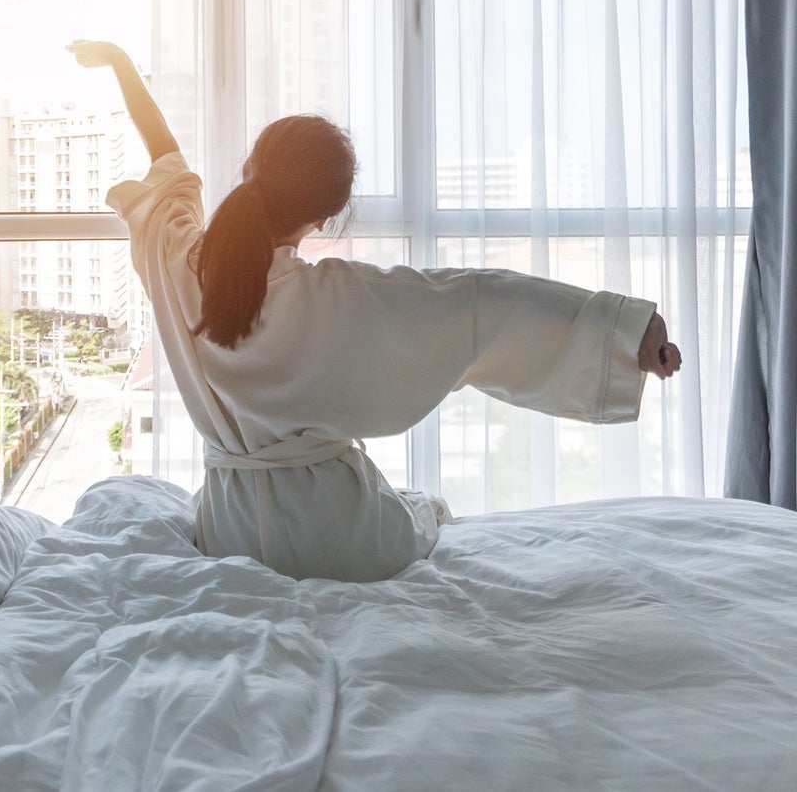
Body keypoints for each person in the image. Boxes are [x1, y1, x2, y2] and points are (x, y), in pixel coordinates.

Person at [68, 39, 683, 583]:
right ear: (325, 216)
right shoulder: (335, 297)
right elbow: (481, 304)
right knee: (425, 510)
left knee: (419, 506)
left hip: (228, 532)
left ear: (251, 171)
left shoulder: (177, 263)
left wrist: (121, 64)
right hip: (339, 539)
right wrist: (630, 335)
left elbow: (167, 163)